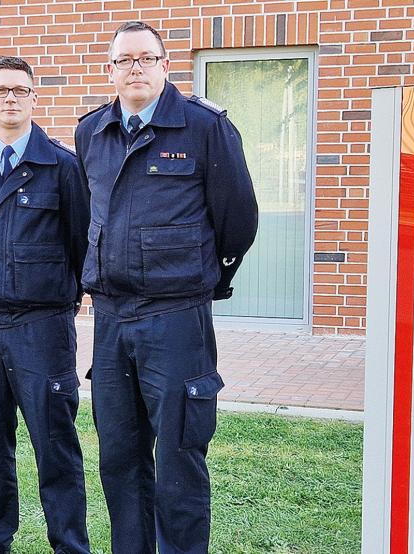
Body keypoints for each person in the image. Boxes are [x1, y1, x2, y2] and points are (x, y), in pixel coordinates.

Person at [73, 21, 258, 553]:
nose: (135, 68)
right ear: (110, 70)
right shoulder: (92, 132)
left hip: (176, 319)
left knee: (179, 455)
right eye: (124, 60)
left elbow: (238, 218)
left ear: (164, 66)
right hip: (111, 320)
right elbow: (92, 216)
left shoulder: (204, 127)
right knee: (119, 456)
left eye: (145, 58)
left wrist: (205, 281)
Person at [0, 56, 91, 554]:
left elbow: (80, 243)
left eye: (19, 90)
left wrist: (58, 303)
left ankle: (69, 543)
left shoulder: (63, 167)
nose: (10, 99)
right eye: (0, 91)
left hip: (43, 327)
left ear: (34, 98)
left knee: (55, 444)